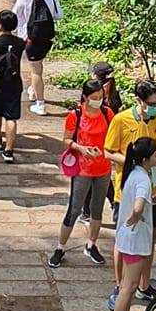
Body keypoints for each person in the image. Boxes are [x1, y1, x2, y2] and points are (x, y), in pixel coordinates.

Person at [103, 82, 156, 311]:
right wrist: (134, 162)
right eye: (151, 103)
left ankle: (144, 285)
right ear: (138, 101)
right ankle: (119, 285)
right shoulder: (121, 120)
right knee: (123, 240)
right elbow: (108, 151)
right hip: (128, 191)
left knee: (149, 239)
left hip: (155, 188)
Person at [50, 76, 112, 267]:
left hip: (103, 167)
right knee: (74, 208)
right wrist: (81, 149)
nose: (98, 100)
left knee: (97, 209)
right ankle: (60, 247)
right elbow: (67, 139)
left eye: (100, 97)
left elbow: (113, 137)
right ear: (85, 97)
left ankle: (91, 244)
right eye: (94, 97)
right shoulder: (75, 115)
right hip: (83, 169)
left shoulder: (107, 113)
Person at [107, 136, 156, 311]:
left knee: (130, 283)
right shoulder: (143, 179)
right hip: (135, 239)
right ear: (146, 159)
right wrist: (136, 216)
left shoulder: (134, 172)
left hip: (129, 237)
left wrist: (150, 203)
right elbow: (137, 206)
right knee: (128, 286)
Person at [13, 0, 62, 115]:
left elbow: (14, 15)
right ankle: (34, 90)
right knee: (38, 65)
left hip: (30, 39)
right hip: (47, 38)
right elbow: (59, 15)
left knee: (36, 71)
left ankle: (40, 104)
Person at [0, 7, 25, 162]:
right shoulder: (20, 43)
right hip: (14, 83)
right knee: (11, 118)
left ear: (0, 25)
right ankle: (9, 150)